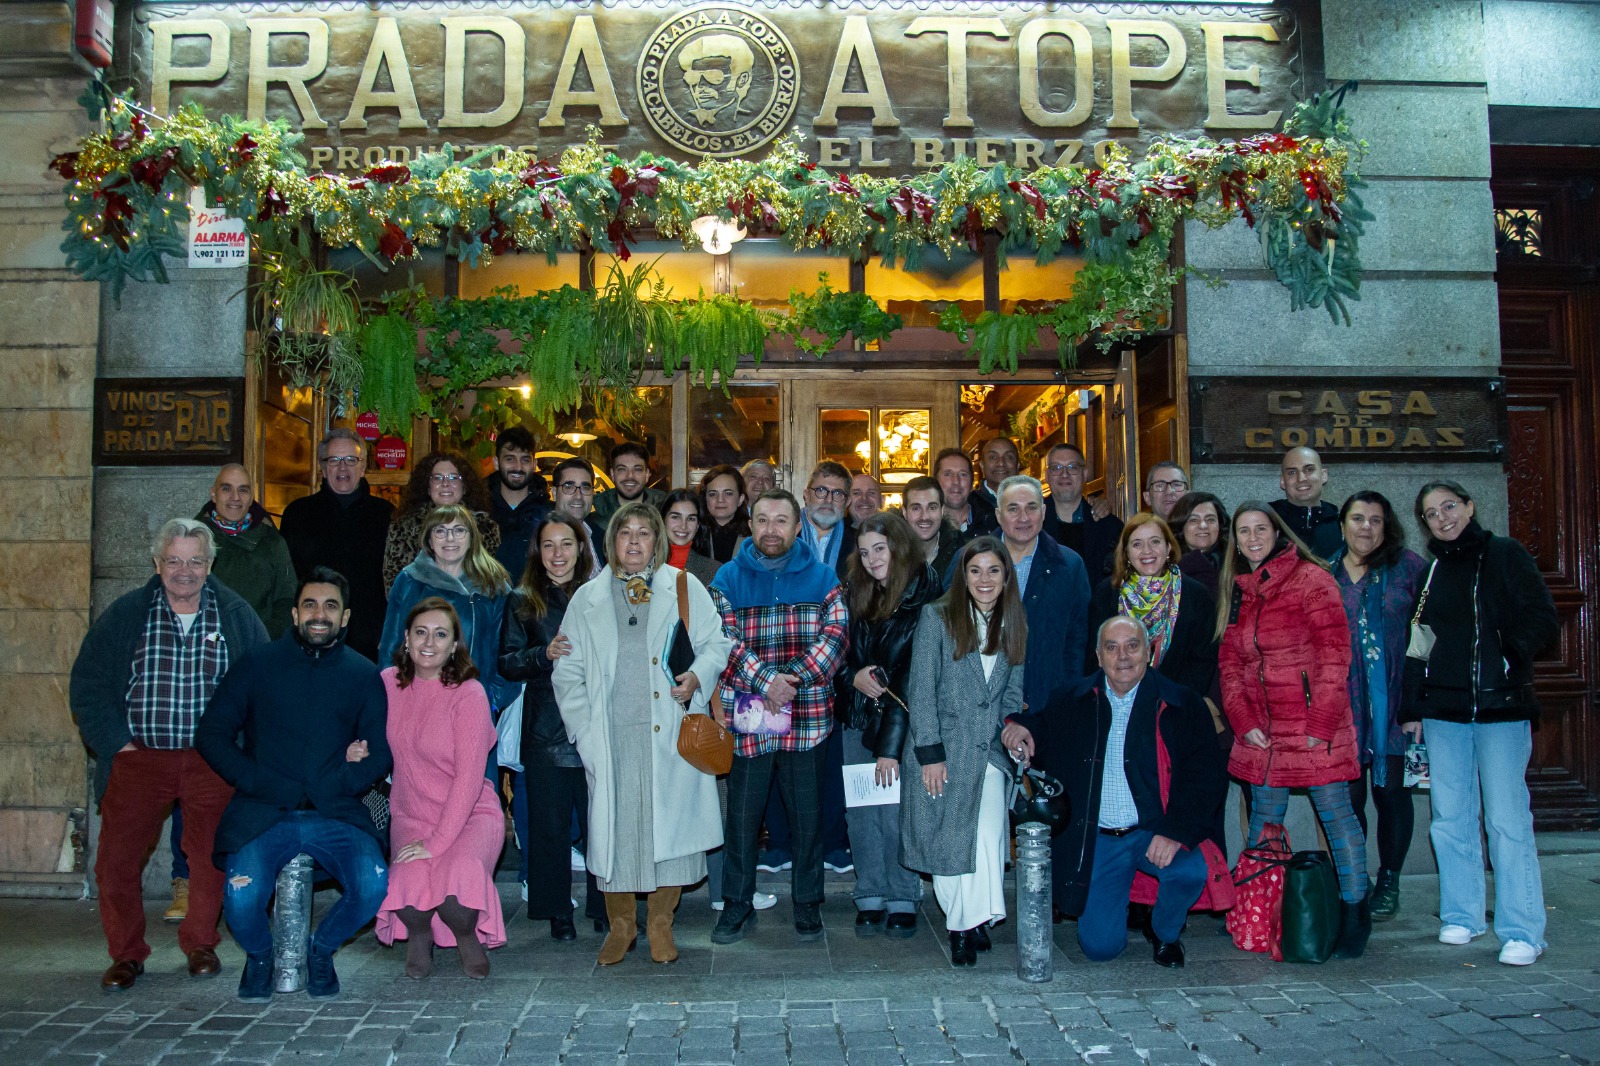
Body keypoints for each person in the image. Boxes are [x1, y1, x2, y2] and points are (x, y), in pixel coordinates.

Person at [69, 518, 270, 992]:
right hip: (139, 758)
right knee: (115, 861)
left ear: (210, 564)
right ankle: (126, 954)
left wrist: (242, 751)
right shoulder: (126, 615)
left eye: (195, 561)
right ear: (157, 564)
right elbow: (88, 683)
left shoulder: (236, 616)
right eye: (174, 561)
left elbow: (265, 686)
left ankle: (201, 943)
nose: (185, 571)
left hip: (210, 761)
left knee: (209, 857)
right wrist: (116, 743)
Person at [194, 568, 392, 1001]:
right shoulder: (258, 664)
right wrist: (255, 779)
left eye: (330, 606)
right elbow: (211, 733)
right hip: (264, 812)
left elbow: (380, 753)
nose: (319, 615)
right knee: (241, 902)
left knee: (374, 886)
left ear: (345, 618)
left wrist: (343, 780)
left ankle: (319, 953)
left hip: (336, 813)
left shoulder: (363, 675)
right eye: (310, 605)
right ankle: (261, 956)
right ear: (294, 612)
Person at [553, 503, 733, 965]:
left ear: (658, 541)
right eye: (624, 533)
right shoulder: (586, 598)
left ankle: (659, 926)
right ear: (612, 541)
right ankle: (620, 928)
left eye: (644, 534)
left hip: (669, 732)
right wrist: (583, 731)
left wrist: (696, 678)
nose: (634, 543)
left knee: (667, 838)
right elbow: (567, 671)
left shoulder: (683, 585)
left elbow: (717, 644)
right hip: (611, 736)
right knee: (617, 835)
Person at [1005, 615, 1230, 967]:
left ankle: (1165, 932)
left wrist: (1174, 832)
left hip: (1154, 829)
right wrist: (1021, 728)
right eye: (1112, 647)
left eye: (1132, 646)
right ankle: (1120, 907)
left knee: (1190, 871)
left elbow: (1206, 777)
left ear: (1149, 653)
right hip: (1100, 839)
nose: (1122, 656)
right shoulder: (1072, 699)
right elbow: (1044, 726)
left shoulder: (1182, 704)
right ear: (1098, 656)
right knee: (1100, 949)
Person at [1403, 481, 1558, 966]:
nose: (1442, 517)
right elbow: (1418, 642)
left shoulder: (1506, 555)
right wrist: (1412, 707)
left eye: (1449, 506)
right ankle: (1463, 915)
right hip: (1445, 714)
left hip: (1501, 709)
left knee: (1507, 821)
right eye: (1431, 513)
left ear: (1470, 506)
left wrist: (1508, 656)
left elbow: (1542, 619)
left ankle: (1523, 929)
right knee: (1450, 819)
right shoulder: (1431, 572)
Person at [1217, 502, 1370, 957]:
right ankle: (1259, 916)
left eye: (1260, 528)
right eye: (1243, 531)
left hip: (1310, 728)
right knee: (1263, 824)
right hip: (1263, 733)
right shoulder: (1239, 589)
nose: (1251, 538)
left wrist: (1320, 723)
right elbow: (1230, 664)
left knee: (1337, 816)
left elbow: (1334, 656)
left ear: (1278, 533)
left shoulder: (1311, 579)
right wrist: (1243, 722)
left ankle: (1353, 918)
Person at [709, 490, 849, 945]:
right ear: (751, 524)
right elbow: (722, 640)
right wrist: (766, 681)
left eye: (782, 521)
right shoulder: (728, 577)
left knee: (808, 818)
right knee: (743, 820)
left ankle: (808, 904)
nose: (772, 530)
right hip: (749, 719)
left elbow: (836, 639)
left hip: (807, 720)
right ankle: (737, 904)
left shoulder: (824, 576)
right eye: (763, 520)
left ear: (797, 524)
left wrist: (789, 681)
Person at [900, 537, 1026, 966]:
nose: (984, 579)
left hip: (988, 753)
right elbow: (921, 690)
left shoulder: (1015, 622)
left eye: (993, 570)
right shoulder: (936, 617)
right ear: (963, 575)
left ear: (1006, 575)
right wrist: (929, 753)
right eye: (975, 571)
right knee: (947, 841)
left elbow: (1013, 693)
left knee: (987, 837)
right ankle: (962, 927)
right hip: (940, 749)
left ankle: (971, 920)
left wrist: (1012, 729)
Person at [376, 599, 507, 979]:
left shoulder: (469, 694)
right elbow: (359, 727)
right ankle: (419, 937)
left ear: (454, 646)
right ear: (406, 639)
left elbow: (468, 780)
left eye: (440, 634)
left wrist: (437, 842)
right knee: (408, 885)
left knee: (457, 889)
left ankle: (467, 936)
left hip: (469, 814)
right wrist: (358, 746)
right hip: (412, 812)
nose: (428, 642)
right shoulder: (387, 684)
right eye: (420, 632)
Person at [498, 514, 605, 940]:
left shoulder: (602, 592)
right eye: (548, 545)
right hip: (545, 727)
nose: (557, 554)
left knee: (602, 825)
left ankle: (605, 906)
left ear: (582, 548)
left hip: (597, 725)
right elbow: (506, 661)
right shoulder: (523, 598)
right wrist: (544, 654)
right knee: (548, 828)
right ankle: (556, 910)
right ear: (537, 551)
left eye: (566, 544)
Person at [834, 511, 936, 938]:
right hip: (857, 715)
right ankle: (869, 891)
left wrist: (890, 748)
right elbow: (835, 655)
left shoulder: (926, 595)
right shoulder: (854, 592)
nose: (874, 559)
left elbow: (916, 678)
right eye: (865, 552)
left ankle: (902, 894)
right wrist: (851, 677)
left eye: (881, 548)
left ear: (898, 545)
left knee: (895, 812)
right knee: (861, 811)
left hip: (903, 722)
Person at [1332, 491, 1429, 922]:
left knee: (1391, 794)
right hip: (1342, 706)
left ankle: (1390, 878)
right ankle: (1358, 878)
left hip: (1394, 701)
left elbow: (1428, 637)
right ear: (1343, 525)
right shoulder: (1325, 572)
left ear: (1386, 526)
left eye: (1375, 519)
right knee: (1348, 797)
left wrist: (1419, 702)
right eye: (1357, 518)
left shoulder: (1409, 569)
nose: (1366, 527)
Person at [379, 505, 517, 721]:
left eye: (459, 530)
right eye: (440, 531)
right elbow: (390, 649)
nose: (449, 538)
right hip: (416, 707)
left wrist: (490, 700)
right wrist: (396, 699)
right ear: (429, 539)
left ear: (471, 537)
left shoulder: (494, 587)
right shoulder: (409, 582)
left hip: (473, 707)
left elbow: (510, 653)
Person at [280, 428, 394, 661]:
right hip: (313, 636)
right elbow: (287, 580)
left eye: (351, 460)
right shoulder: (298, 514)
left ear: (362, 467)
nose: (343, 468)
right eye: (334, 460)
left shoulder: (387, 515)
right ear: (323, 468)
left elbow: (395, 582)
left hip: (372, 642)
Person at [986, 475, 1091, 714]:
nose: (1023, 518)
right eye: (1013, 509)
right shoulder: (970, 562)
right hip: (981, 708)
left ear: (1043, 512)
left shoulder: (1070, 566)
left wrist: (1068, 697)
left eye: (1031, 508)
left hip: (1048, 705)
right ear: (998, 515)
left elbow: (1078, 642)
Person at [1085, 514, 1218, 700]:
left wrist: (1172, 700)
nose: (1147, 551)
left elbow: (1203, 661)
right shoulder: (1107, 593)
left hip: (1176, 704)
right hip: (1117, 701)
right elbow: (1095, 655)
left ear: (1168, 547)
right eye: (1137, 544)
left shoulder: (1196, 595)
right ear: (1126, 553)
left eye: (1155, 542)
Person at [198, 464, 297, 638]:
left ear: (251, 498)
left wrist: (262, 637)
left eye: (243, 490)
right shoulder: (193, 540)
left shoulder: (273, 543)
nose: (235, 497)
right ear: (213, 494)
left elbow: (287, 600)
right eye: (226, 489)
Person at [383, 452, 502, 593]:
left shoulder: (486, 528)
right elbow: (394, 586)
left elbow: (492, 582)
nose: (445, 484)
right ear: (428, 487)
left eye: (453, 478)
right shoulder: (402, 528)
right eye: (437, 478)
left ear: (464, 486)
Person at [1041, 442, 1123, 582]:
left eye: (1072, 467)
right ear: (1047, 476)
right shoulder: (1030, 525)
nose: (1064, 474)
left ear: (1084, 474)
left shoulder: (1110, 527)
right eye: (1056, 468)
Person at [486, 426, 550, 580]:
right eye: (510, 459)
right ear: (496, 462)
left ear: (534, 464)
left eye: (525, 460)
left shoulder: (548, 514)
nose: (518, 467)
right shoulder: (480, 512)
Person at [1271, 446, 1343, 560]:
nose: (1301, 478)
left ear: (1324, 475)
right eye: (1292, 472)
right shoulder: (1266, 521)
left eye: (1309, 470)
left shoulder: (1342, 525)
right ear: (1282, 481)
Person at [900, 475, 970, 590]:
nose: (924, 516)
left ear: (942, 510)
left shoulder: (960, 554)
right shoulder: (889, 553)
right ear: (904, 512)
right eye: (916, 508)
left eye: (932, 508)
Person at [798, 460, 857, 579]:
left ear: (847, 502)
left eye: (838, 493)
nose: (829, 499)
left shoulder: (857, 543)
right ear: (806, 495)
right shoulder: (784, 536)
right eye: (821, 490)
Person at [551, 457, 606, 573]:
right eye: (569, 487)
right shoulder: (536, 537)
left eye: (585, 488)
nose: (578, 496)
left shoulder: (602, 537)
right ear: (554, 493)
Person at [1170, 491, 1229, 600]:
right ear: (1180, 526)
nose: (1203, 525)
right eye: (1194, 520)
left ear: (1220, 525)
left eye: (1210, 519)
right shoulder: (1167, 568)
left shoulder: (1235, 564)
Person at [592, 441, 666, 524]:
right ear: (612, 474)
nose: (630, 476)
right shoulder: (595, 514)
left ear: (647, 474)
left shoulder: (664, 510)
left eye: (637, 469)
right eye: (622, 469)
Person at [660, 489, 721, 587]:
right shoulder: (643, 564)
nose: (683, 526)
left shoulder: (714, 571)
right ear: (662, 520)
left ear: (697, 526)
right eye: (675, 517)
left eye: (691, 519)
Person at [933, 448, 997, 535]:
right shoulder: (924, 526)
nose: (956, 481)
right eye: (948, 474)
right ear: (935, 482)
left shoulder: (994, 523)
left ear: (972, 483)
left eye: (963, 474)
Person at [698, 463, 750, 563]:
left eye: (728, 493)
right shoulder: (694, 535)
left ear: (740, 499)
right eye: (713, 494)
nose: (720, 500)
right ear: (705, 498)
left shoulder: (753, 540)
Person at [972, 437, 1019, 509]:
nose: (1001, 463)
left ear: (1017, 465)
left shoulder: (1035, 503)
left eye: (1008, 457)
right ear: (982, 465)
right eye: (993, 457)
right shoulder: (968, 507)